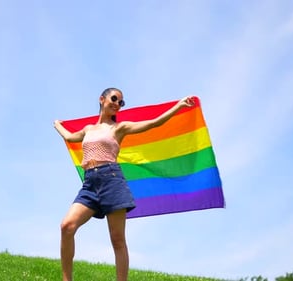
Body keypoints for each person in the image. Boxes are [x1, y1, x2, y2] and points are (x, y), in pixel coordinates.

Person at [53, 88, 195, 281]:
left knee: (117, 239)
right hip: (90, 183)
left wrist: (178, 106)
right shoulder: (88, 130)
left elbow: (153, 124)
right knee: (66, 226)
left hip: (111, 180)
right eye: (114, 99)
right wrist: (57, 125)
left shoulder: (119, 128)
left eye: (121, 102)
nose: (117, 104)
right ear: (102, 99)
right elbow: (70, 137)